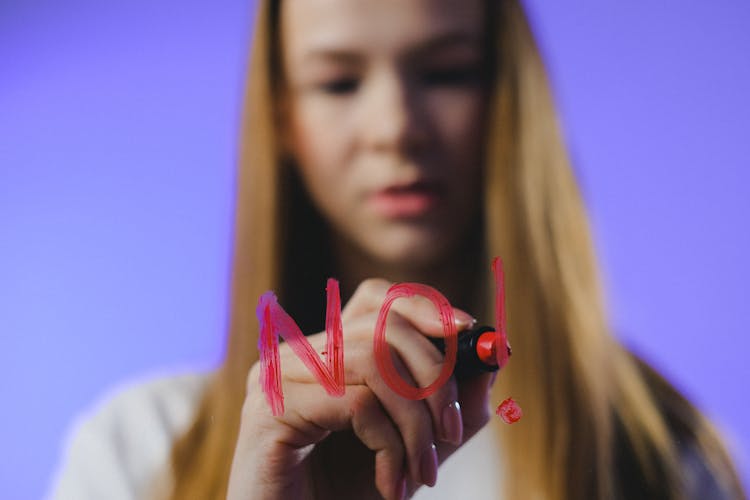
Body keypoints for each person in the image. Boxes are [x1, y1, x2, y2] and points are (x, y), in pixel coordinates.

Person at [51, 0, 746, 499]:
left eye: (446, 72)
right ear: (282, 117)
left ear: (510, 98)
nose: (396, 127)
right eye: (338, 82)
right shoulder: (135, 452)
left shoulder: (661, 453)